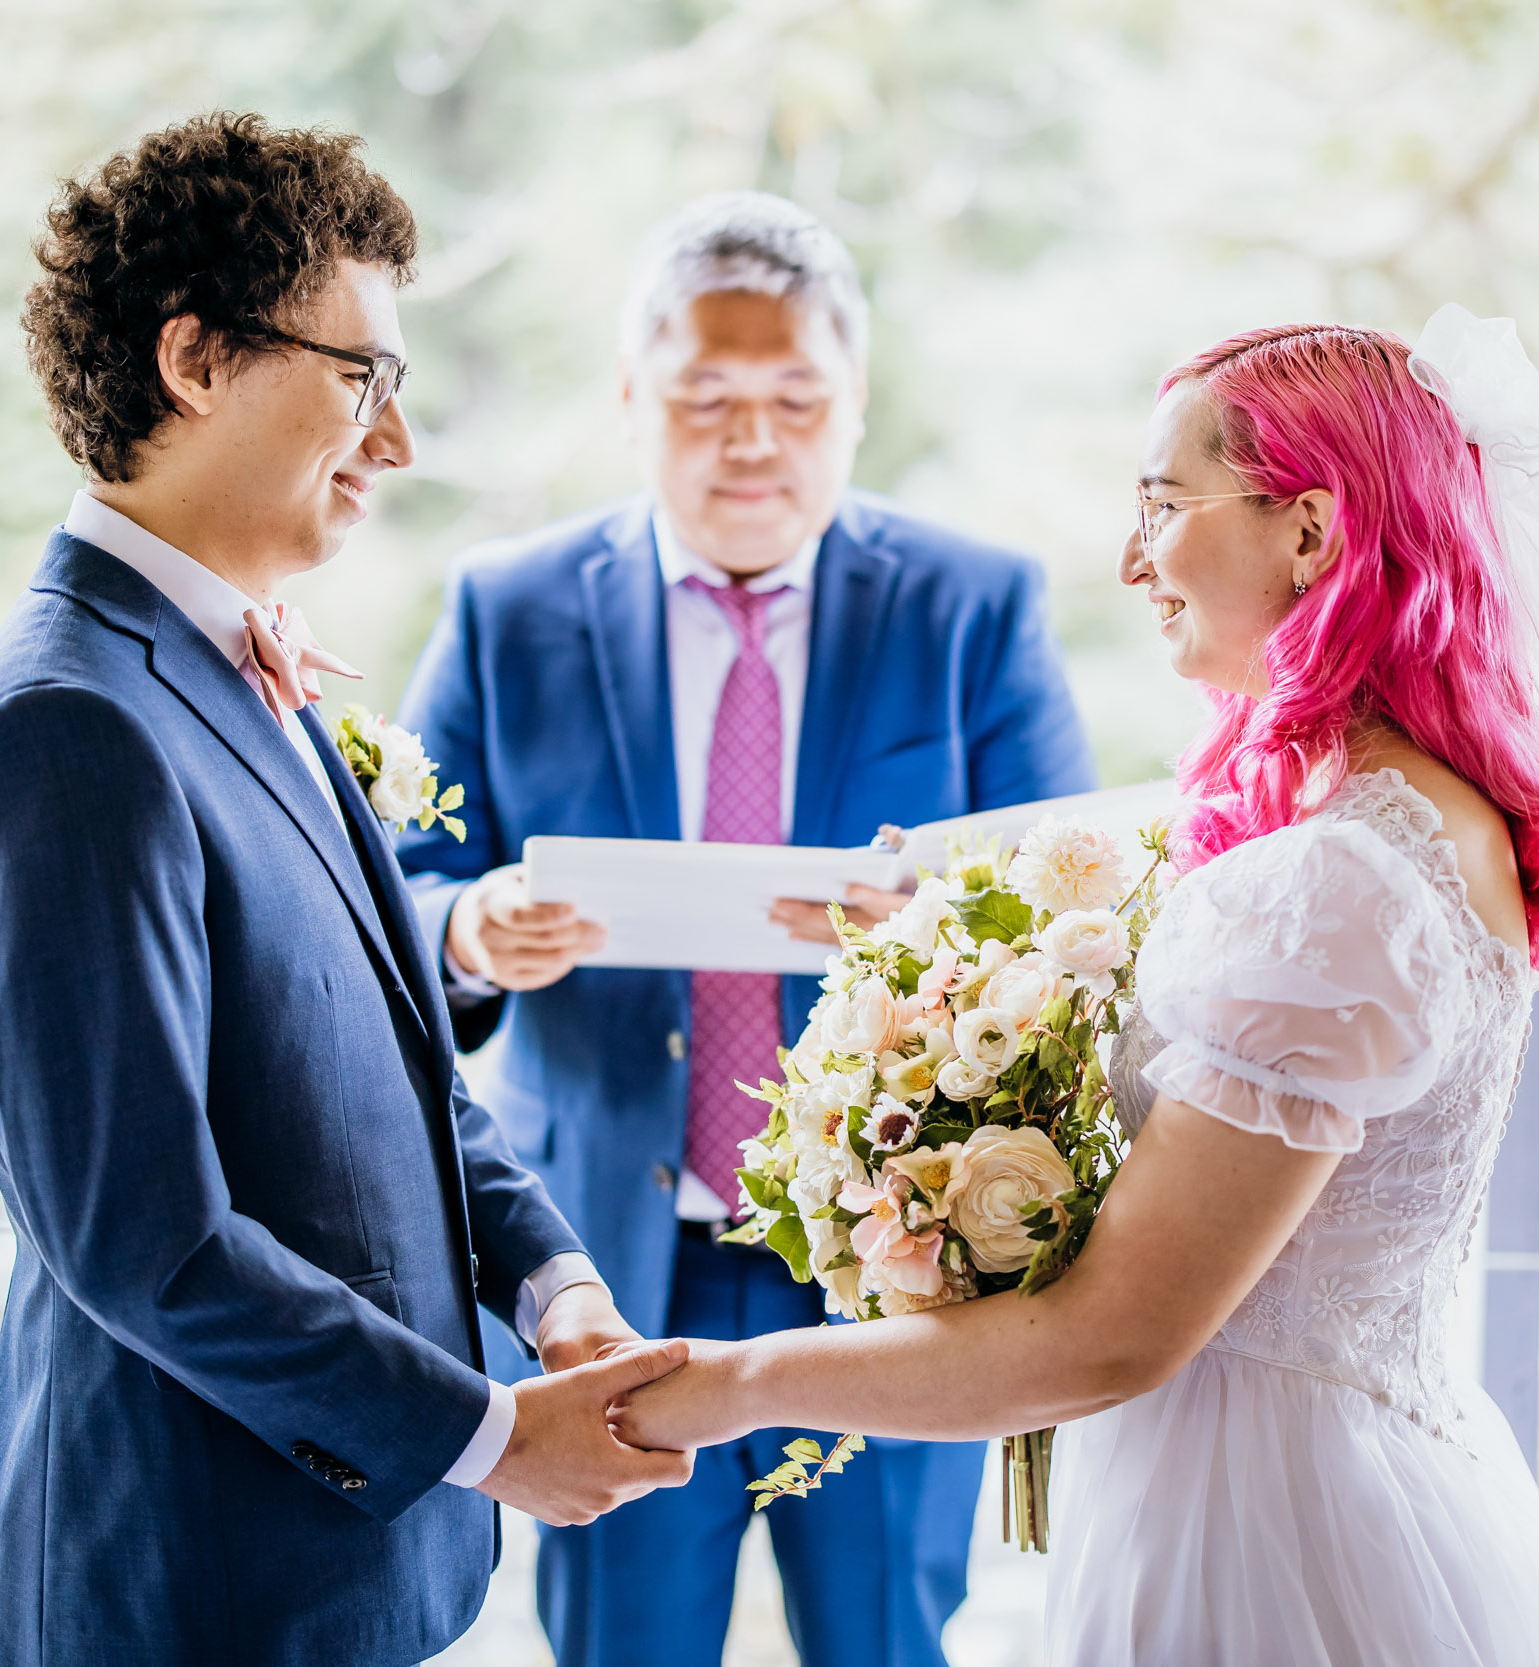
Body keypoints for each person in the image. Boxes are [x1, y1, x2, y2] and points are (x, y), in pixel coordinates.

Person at [614, 314, 1539, 1664]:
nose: (1133, 561)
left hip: (1264, 1533)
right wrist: (957, 919)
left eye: (1163, 507)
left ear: (1310, 533)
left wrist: (732, 1386)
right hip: (1323, 1463)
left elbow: (1109, 1340)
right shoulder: (1401, 818)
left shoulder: (1341, 883)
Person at [0, 113, 691, 1667]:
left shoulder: (243, 663)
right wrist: (486, 1434)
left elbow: (403, 1060)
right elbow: (147, 1240)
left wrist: (557, 1292)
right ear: (195, 360)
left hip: (342, 1565)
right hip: (190, 1583)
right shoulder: (65, 731)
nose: (394, 443)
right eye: (363, 379)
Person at [394, 192, 1098, 1667]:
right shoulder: (507, 608)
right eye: (705, 398)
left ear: (854, 407)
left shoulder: (972, 605)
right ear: (633, 395)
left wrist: (936, 927)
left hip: (895, 1264)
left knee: (887, 1642)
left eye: (796, 400)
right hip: (603, 1262)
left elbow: (1079, 903)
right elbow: (389, 891)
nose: (751, 439)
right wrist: (472, 930)